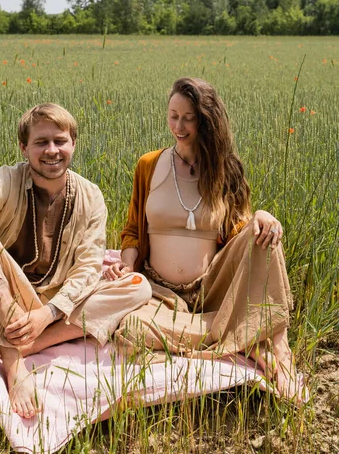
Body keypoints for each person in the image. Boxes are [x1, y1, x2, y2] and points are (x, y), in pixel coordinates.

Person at [105, 77, 307, 403]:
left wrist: (261, 215)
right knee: (132, 329)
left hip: (211, 289)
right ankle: (239, 339)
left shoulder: (225, 171)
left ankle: (278, 348)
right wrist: (127, 267)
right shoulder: (149, 165)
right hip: (159, 293)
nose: (179, 126)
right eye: (173, 116)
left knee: (267, 234)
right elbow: (132, 230)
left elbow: (238, 233)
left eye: (189, 117)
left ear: (206, 120)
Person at [0, 103, 151, 420]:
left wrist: (47, 313)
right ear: (24, 147)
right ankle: (14, 365)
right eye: (41, 142)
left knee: (137, 288)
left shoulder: (90, 195)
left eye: (60, 141)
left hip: (53, 302)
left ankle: (26, 346)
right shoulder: (5, 181)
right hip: (2, 298)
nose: (52, 150)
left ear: (73, 144)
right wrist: (5, 305)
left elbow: (86, 267)